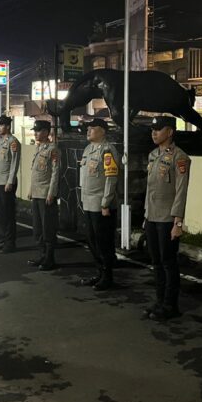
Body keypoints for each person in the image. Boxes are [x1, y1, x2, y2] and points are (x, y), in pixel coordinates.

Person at [142, 116, 191, 321]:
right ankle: (160, 301)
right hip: (152, 216)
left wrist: (177, 222)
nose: (154, 133)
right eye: (152, 129)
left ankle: (171, 305)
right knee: (156, 262)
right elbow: (150, 189)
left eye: (158, 129)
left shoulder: (179, 157)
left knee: (168, 262)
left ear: (170, 132)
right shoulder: (153, 155)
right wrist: (146, 214)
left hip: (167, 218)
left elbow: (181, 191)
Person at [78, 118, 120, 291]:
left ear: (102, 130)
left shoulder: (108, 150)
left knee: (103, 242)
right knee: (92, 241)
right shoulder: (88, 149)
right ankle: (99, 273)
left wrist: (105, 203)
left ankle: (107, 276)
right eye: (87, 128)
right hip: (88, 203)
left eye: (92, 128)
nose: (88, 131)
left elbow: (111, 178)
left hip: (101, 205)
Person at [27, 120, 60, 271]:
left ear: (46, 132)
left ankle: (49, 259)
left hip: (46, 194)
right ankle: (42, 255)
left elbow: (55, 173)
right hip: (36, 194)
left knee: (48, 229)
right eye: (35, 130)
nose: (35, 133)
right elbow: (35, 173)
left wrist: (51, 193)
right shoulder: (39, 148)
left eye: (38, 130)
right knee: (37, 228)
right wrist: (31, 190)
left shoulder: (52, 149)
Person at [0, 115, 21, 253]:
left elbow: (14, 163)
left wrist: (10, 181)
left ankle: (10, 243)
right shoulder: (0, 141)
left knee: (8, 214)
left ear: (8, 126)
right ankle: (4, 240)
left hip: (6, 182)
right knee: (1, 214)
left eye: (1, 125)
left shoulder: (13, 142)